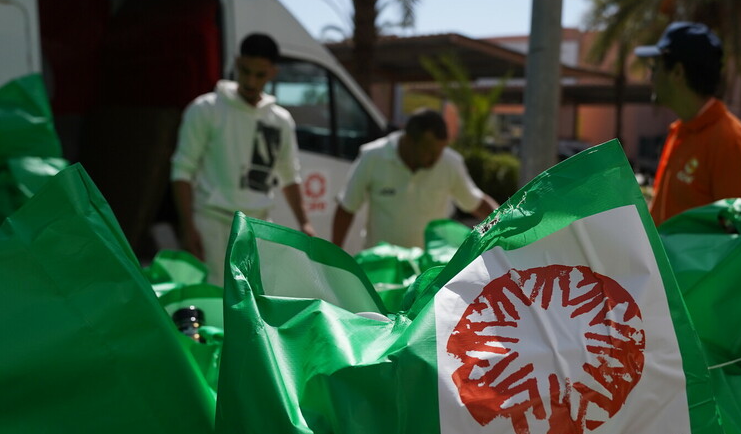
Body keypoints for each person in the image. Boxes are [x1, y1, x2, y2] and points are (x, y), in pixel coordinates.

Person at [171, 33, 315, 285]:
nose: (250, 81)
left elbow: (289, 175)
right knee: (217, 301)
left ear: (272, 73)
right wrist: (188, 227)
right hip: (213, 224)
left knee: (255, 302)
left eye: (259, 75)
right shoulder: (206, 109)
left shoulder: (280, 120)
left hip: (258, 227)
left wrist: (305, 224)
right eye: (245, 71)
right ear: (237, 63)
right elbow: (182, 170)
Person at [633, 21, 741, 226]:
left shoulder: (731, 142)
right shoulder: (679, 131)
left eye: (655, 67)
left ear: (677, 72)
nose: (651, 76)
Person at [331, 108, 498, 251]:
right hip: (382, 266)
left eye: (440, 151)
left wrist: (505, 225)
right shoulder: (372, 156)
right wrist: (334, 258)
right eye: (429, 151)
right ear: (409, 140)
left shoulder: (450, 162)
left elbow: (476, 203)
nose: (436, 159)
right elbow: (347, 208)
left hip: (428, 269)